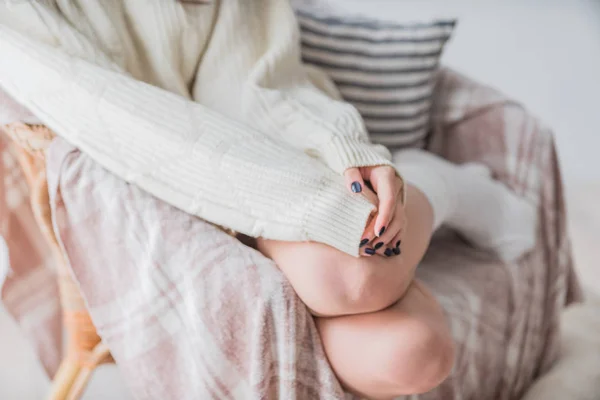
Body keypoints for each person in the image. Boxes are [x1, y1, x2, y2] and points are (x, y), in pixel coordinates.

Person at [0, 1, 536, 398]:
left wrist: (340, 146)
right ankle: (437, 183)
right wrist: (305, 205)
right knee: (412, 351)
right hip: (162, 198)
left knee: (368, 289)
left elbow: (255, 83)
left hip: (249, 163)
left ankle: (440, 184)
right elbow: (123, 118)